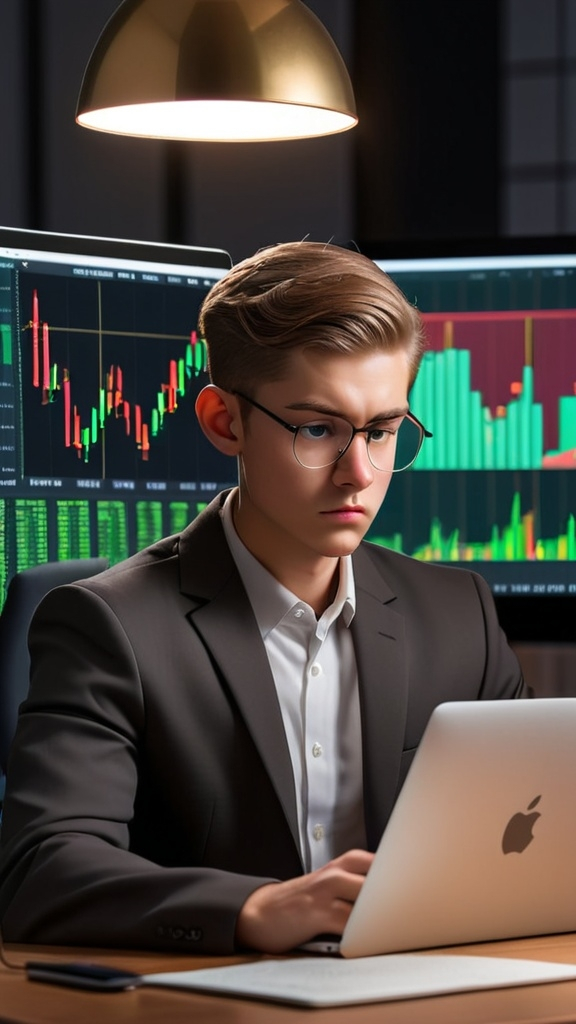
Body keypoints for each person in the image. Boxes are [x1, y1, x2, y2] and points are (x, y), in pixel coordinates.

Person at [0, 241, 525, 955]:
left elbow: (537, 835)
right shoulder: (109, 625)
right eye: (318, 430)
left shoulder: (459, 613)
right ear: (225, 422)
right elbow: (42, 872)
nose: (358, 474)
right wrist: (255, 907)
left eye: (383, 431)